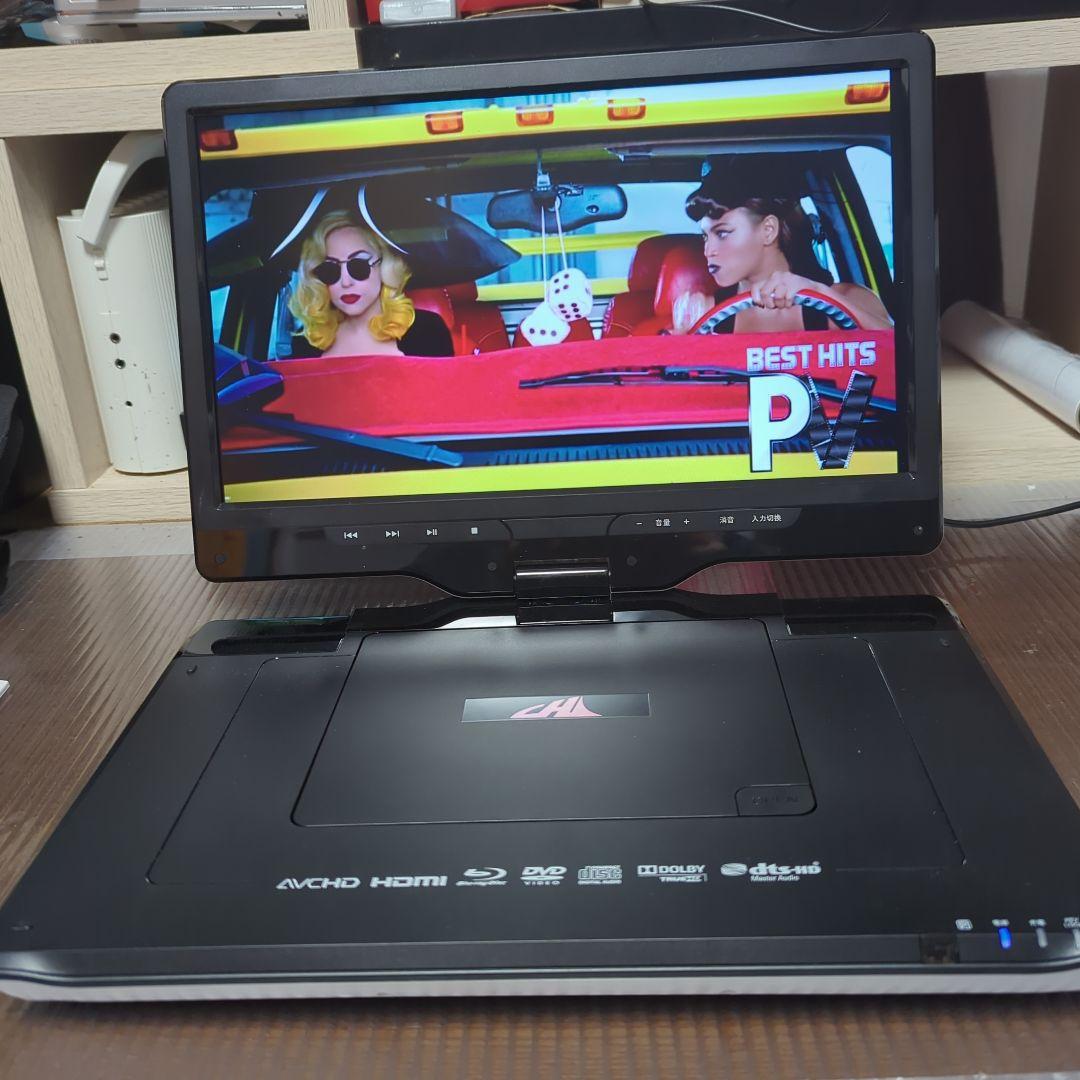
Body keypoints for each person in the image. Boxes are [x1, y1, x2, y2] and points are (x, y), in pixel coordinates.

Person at [673, 162, 893, 335]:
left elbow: (898, 355)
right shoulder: (705, 316)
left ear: (768, 230)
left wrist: (819, 294)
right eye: (705, 236)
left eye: (722, 233)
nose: (708, 251)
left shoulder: (851, 298)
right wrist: (683, 340)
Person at [288, 208, 452, 357]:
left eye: (359, 266)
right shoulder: (307, 342)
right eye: (330, 270)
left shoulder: (427, 331)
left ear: (385, 265)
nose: (346, 282)